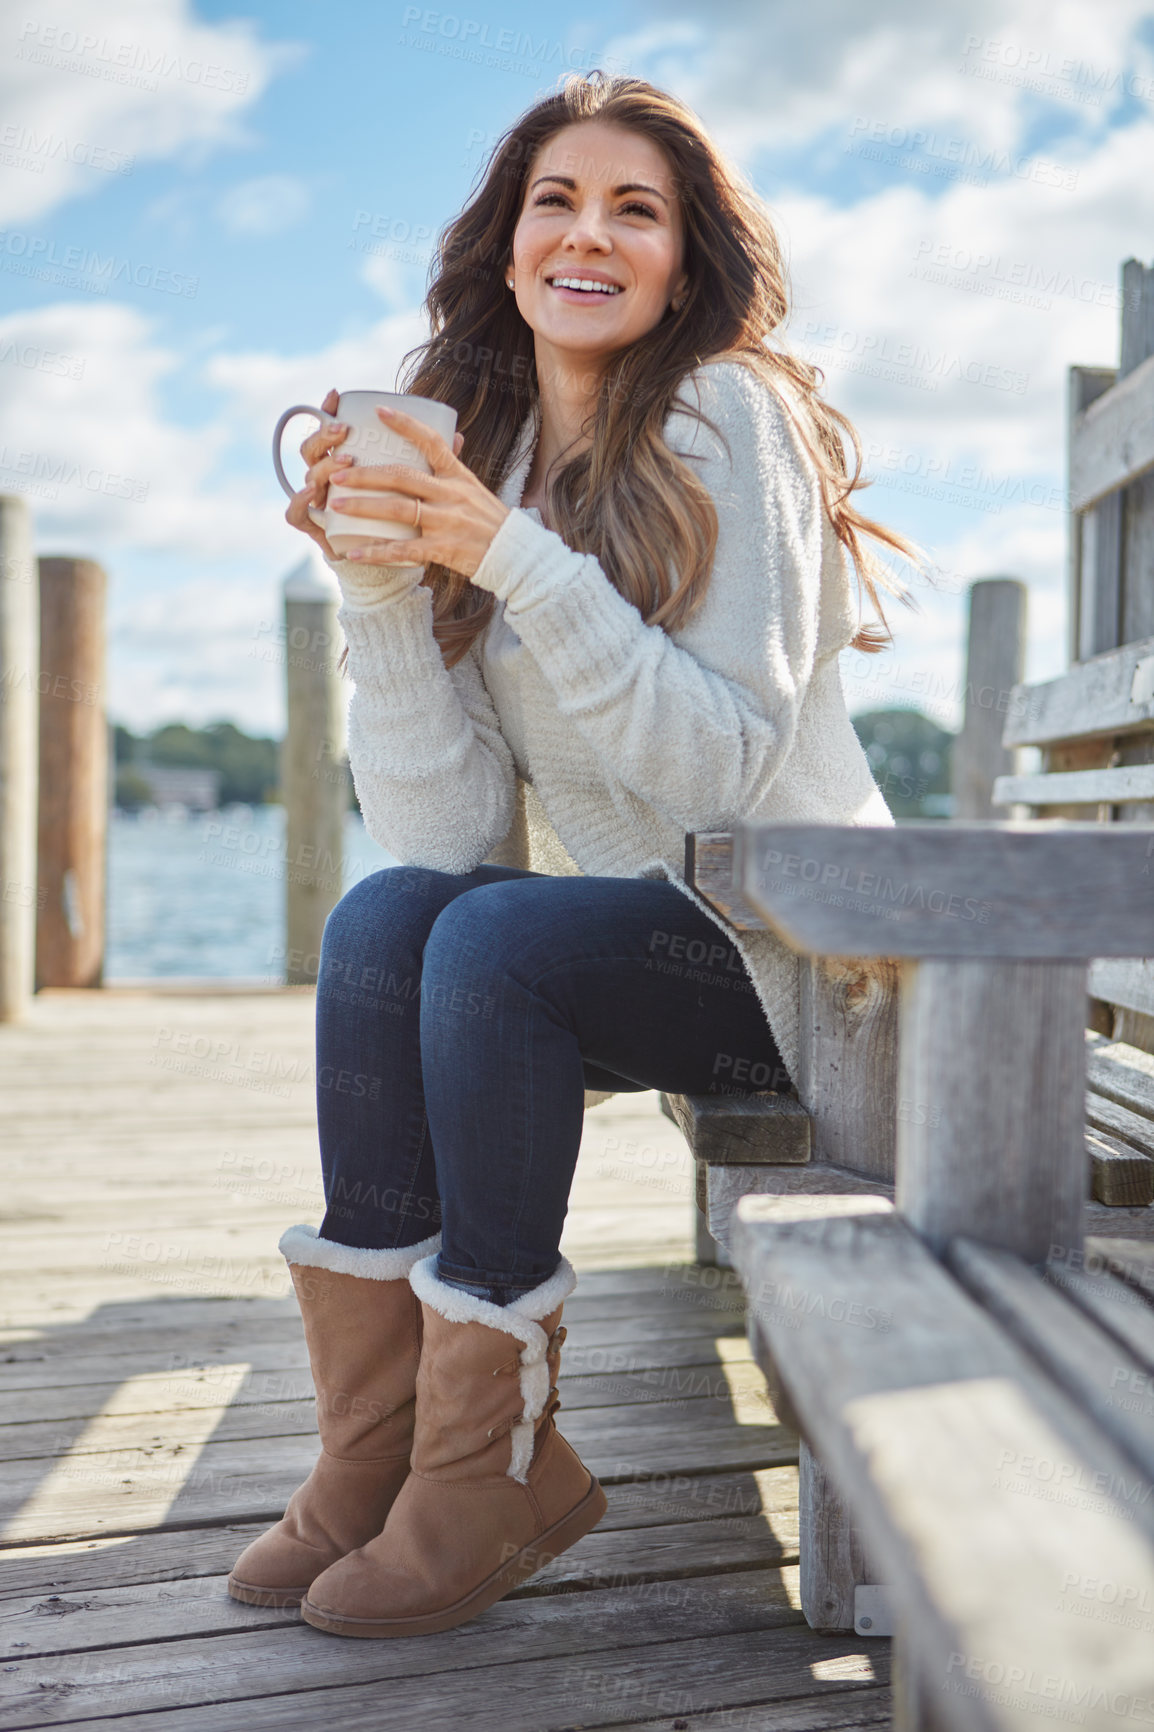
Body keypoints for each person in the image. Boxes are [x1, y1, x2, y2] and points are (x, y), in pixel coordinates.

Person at [228, 69, 917, 1639]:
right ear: (508, 240)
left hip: (816, 963)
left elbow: (724, 779)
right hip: (669, 939)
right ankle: (386, 1450)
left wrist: (504, 553)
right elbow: (449, 835)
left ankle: (486, 1467)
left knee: (489, 941)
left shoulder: (733, 415)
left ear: (685, 257)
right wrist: (384, 586)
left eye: (635, 209)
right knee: (395, 915)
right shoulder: (491, 443)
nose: (587, 234)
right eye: (556, 200)